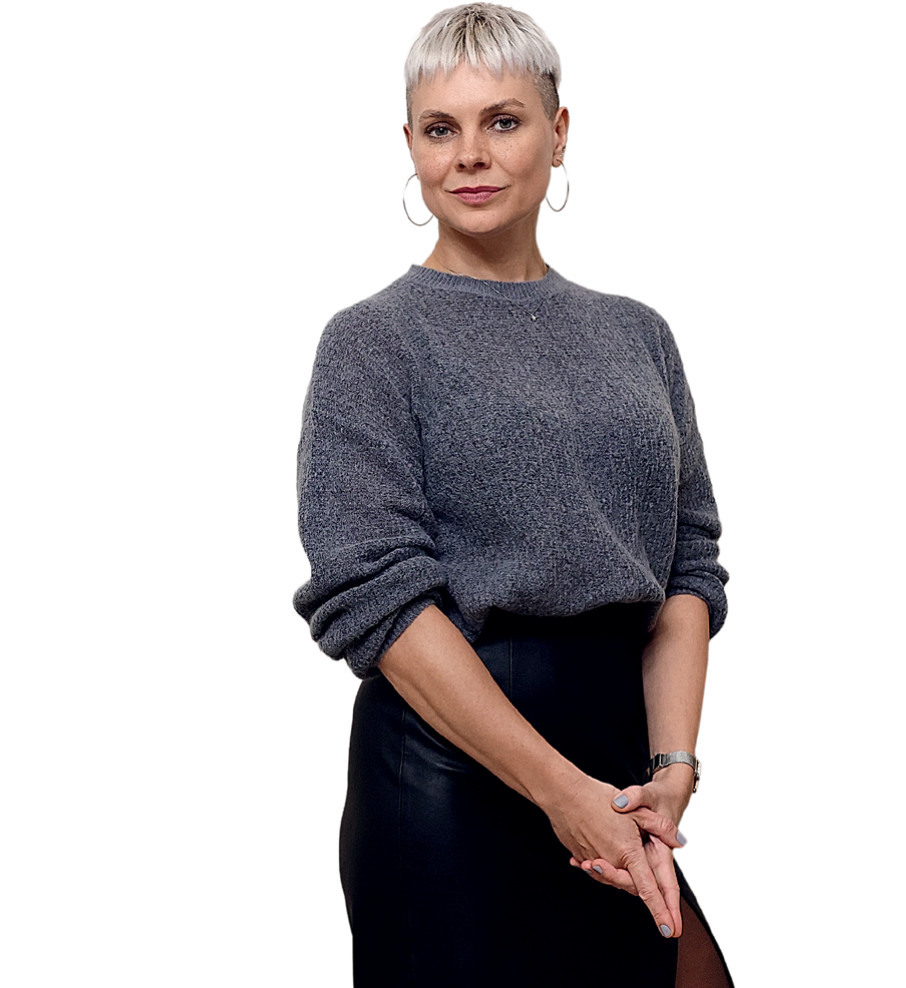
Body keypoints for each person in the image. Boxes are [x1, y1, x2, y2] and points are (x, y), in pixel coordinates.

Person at [291, 5, 736, 985]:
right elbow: (377, 595)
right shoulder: (373, 342)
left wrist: (672, 769)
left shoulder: (637, 334)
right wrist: (557, 792)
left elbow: (686, 563)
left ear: (558, 131)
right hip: (449, 776)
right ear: (409, 145)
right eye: (439, 128)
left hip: (619, 763)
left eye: (502, 120)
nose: (468, 155)